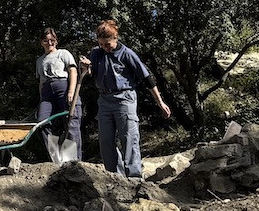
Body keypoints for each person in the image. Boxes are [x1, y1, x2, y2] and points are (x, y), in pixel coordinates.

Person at [87, 19, 171, 178]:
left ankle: (134, 179)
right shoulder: (96, 53)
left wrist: (160, 102)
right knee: (105, 141)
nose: (105, 48)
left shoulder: (127, 54)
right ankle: (114, 177)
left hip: (124, 99)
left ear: (115, 38)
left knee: (129, 139)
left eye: (108, 44)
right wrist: (86, 67)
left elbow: (147, 78)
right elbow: (92, 73)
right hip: (104, 99)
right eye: (101, 44)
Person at [36, 27, 81, 161]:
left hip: (63, 86)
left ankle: (75, 161)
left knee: (71, 123)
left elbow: (73, 71)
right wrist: (41, 100)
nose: (49, 43)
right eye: (46, 40)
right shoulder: (40, 60)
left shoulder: (63, 53)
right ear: (41, 42)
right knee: (41, 123)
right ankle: (56, 158)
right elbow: (41, 83)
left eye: (52, 40)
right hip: (47, 92)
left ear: (56, 41)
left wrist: (71, 91)